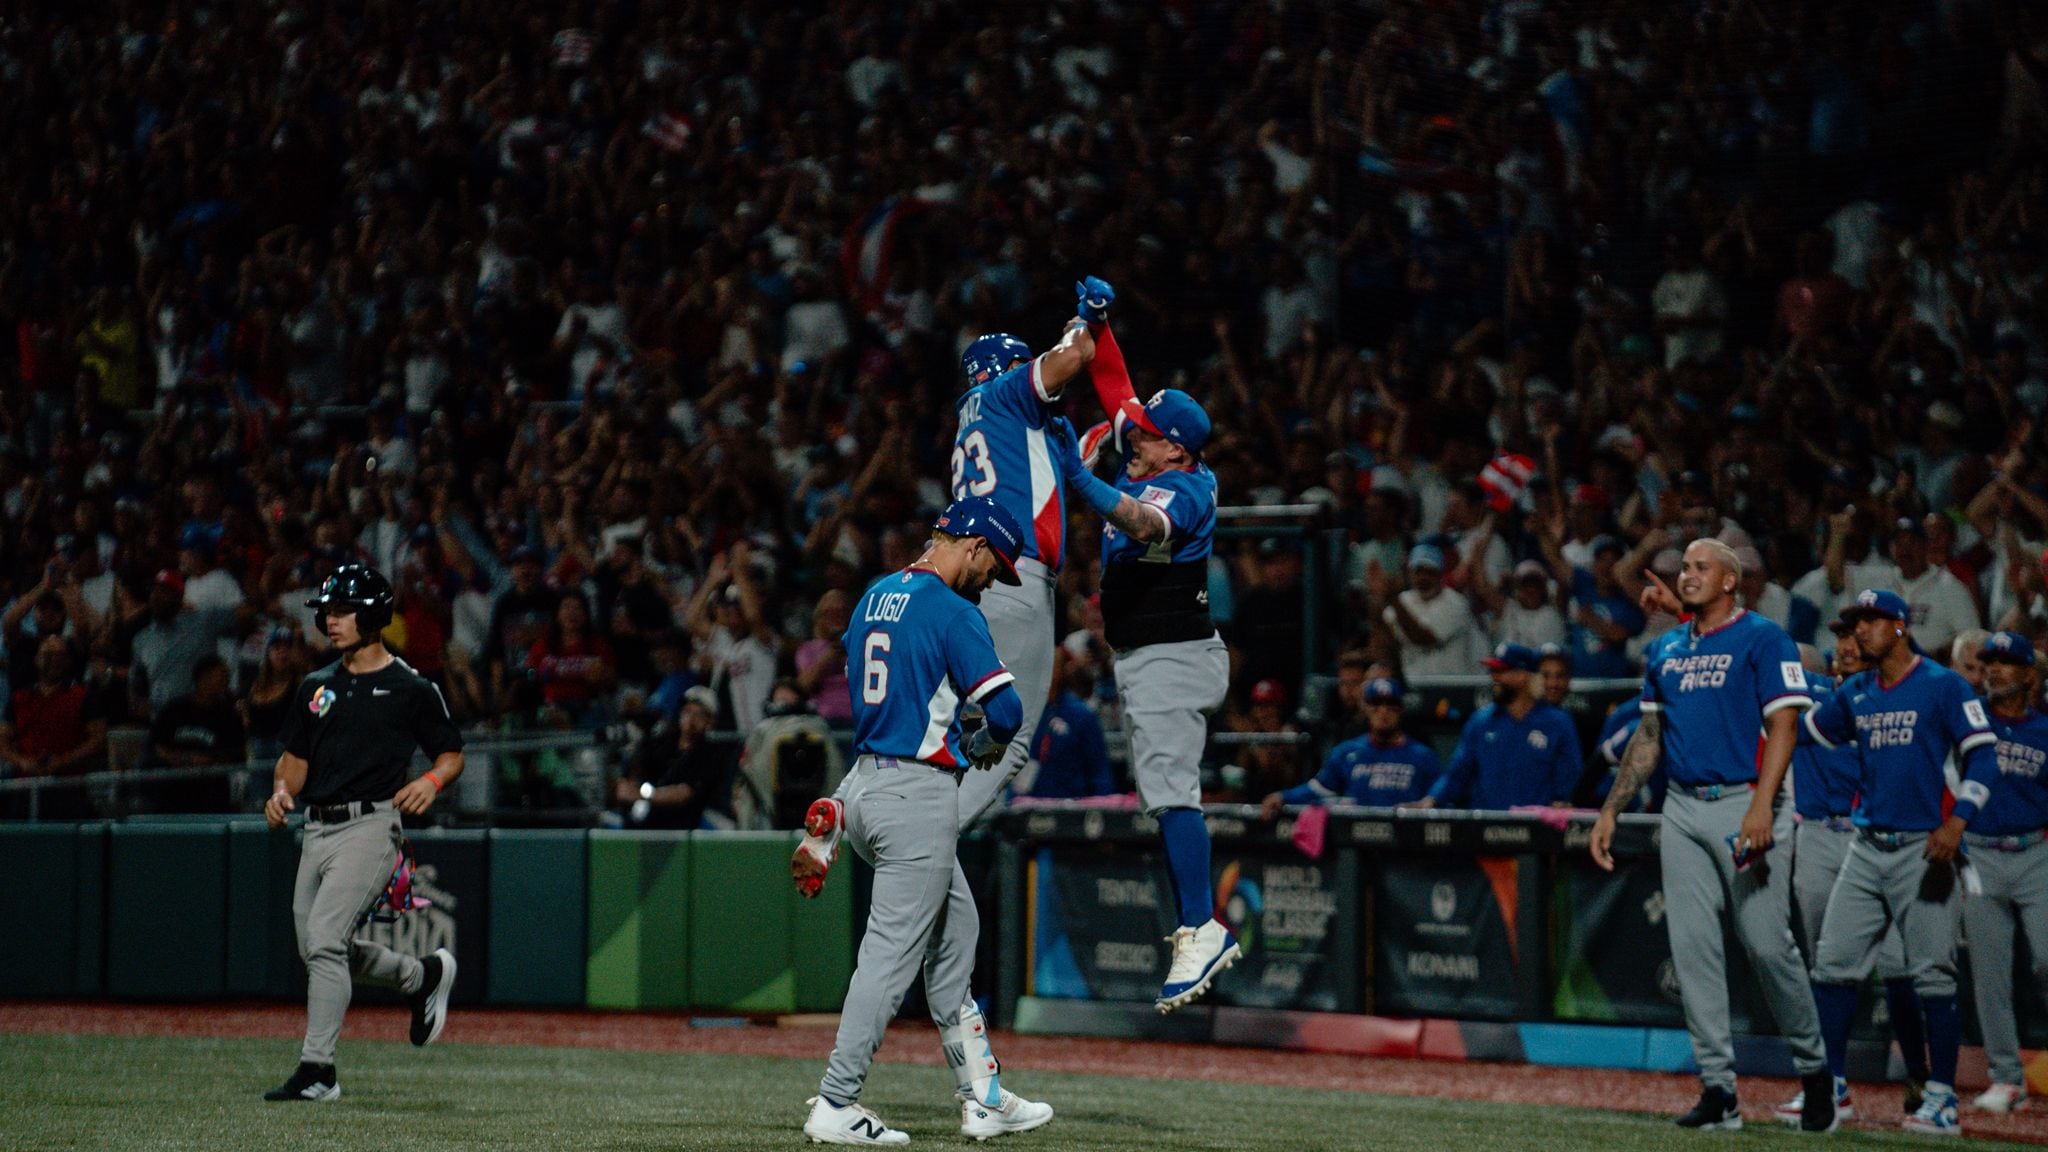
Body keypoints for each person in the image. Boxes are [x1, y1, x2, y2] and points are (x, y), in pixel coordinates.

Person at [789, 497, 1052, 1145]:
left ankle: (983, 1097)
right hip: (919, 795)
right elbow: (1010, 712)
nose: (995, 579)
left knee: (956, 932)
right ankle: (836, 1101)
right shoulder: (954, 611)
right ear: (976, 545)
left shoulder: (875, 594)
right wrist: (980, 742)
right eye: (996, 565)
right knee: (888, 957)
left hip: (869, 778)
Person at [1589, 539, 1835, 1132]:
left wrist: (1760, 806)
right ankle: (1719, 1089)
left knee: (1768, 947)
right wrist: (1611, 809)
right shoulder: (1667, 648)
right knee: (1694, 952)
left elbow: (1784, 725)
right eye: (1686, 567)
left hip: (1744, 802)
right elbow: (1649, 736)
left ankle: (1817, 1071)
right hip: (1682, 807)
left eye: (1702, 568)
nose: (1688, 574)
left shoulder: (1764, 637)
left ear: (1730, 581)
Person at [1061, 314, 1237, 1014]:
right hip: (1150, 654)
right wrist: (1097, 325)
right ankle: (1196, 921)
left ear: (1179, 450)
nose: (1134, 437)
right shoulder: (1154, 450)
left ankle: (1202, 925)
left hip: (1173, 652)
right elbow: (1115, 384)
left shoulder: (1186, 489)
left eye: (1149, 436)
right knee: (1162, 796)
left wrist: (1079, 475)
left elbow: (1142, 523)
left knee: (1171, 794)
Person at [1801, 589, 2003, 1137]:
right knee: (1833, 967)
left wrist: (1958, 820)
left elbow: (1984, 755)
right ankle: (1830, 1088)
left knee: (1932, 975)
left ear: (1898, 627)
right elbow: (1809, 730)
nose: (1858, 632)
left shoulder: (1942, 685)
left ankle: (1941, 1097)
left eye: (1868, 622)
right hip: (1867, 848)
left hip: (1924, 848)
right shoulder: (1860, 690)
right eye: (1853, 623)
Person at [260, 564, 464, 1103]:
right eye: (328, 610)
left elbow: (451, 752)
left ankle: (318, 1071)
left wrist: (432, 778)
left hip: (371, 824)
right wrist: (282, 791)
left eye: (343, 609)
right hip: (317, 828)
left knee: (324, 941)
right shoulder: (316, 685)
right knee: (320, 949)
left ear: (373, 614)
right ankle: (419, 977)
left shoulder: (410, 687)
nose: (331, 619)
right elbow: (293, 761)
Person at [947, 277, 1102, 828]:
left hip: (962, 586)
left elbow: (1037, 477)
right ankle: (930, 837)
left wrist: (1076, 455)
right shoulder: (1008, 393)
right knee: (1011, 741)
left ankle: (885, 815)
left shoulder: (976, 419)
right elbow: (1076, 355)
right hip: (1013, 581)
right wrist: (1083, 321)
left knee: (958, 727)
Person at [1772, 626, 1926, 1126]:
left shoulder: (1882, 704)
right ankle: (1827, 1084)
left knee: (1900, 966)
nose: (1847, 650)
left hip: (1873, 839)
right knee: (1827, 965)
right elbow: (1788, 670)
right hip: (1817, 835)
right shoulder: (1813, 695)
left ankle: (1919, 1077)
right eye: (1840, 645)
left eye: (1855, 645)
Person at [1957, 631, 2048, 1116]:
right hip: (1979, 856)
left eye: (2006, 663)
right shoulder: (1970, 723)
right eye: (1988, 662)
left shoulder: (2045, 730)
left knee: (2047, 961)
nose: (1993, 670)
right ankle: (2007, 1077)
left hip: (2035, 853)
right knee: (1990, 976)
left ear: (2030, 676)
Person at [1407, 644, 1579, 810]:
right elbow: (1457, 774)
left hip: (1537, 829)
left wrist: (1564, 804)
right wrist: (1432, 800)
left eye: (1500, 671)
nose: (1493, 677)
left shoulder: (1557, 723)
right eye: (1493, 671)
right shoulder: (1481, 721)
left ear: (1522, 675)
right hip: (1487, 828)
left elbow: (1569, 779)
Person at [1260, 677, 1439, 813]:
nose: (1383, 711)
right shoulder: (1347, 753)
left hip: (1405, 848)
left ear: (1401, 709)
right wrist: (1283, 797)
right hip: (1358, 847)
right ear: (1365, 708)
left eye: (1390, 703)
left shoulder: (1422, 756)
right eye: (1376, 704)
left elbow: (1440, 800)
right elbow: (1318, 789)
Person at [0, 635, 105, 820]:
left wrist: (63, 761)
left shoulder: (82, 695)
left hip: (68, 785)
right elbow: (3, 739)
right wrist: (21, 761)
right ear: (36, 659)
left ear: (68, 661)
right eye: (47, 654)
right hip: (26, 786)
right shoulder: (19, 698)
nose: (53, 660)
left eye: (59, 655)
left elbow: (98, 739)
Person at [145, 654, 247, 813]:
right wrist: (183, 759)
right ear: (203, 678)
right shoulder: (174, 710)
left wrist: (208, 761)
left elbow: (235, 753)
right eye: (221, 677)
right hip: (173, 792)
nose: (225, 682)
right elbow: (157, 745)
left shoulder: (228, 716)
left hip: (211, 793)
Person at [613, 685, 720, 830]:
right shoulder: (661, 743)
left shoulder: (709, 754)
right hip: (643, 822)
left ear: (710, 721)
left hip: (682, 825)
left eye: (699, 714)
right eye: (687, 712)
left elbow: (683, 794)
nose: (691, 719)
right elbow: (626, 784)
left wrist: (644, 795)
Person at [1025, 652, 1115, 800]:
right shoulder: (1026, 713)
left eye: (1052, 667)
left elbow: (1099, 770)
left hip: (1072, 808)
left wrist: (1103, 807)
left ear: (1062, 670)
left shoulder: (1081, 715)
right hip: (1027, 805)